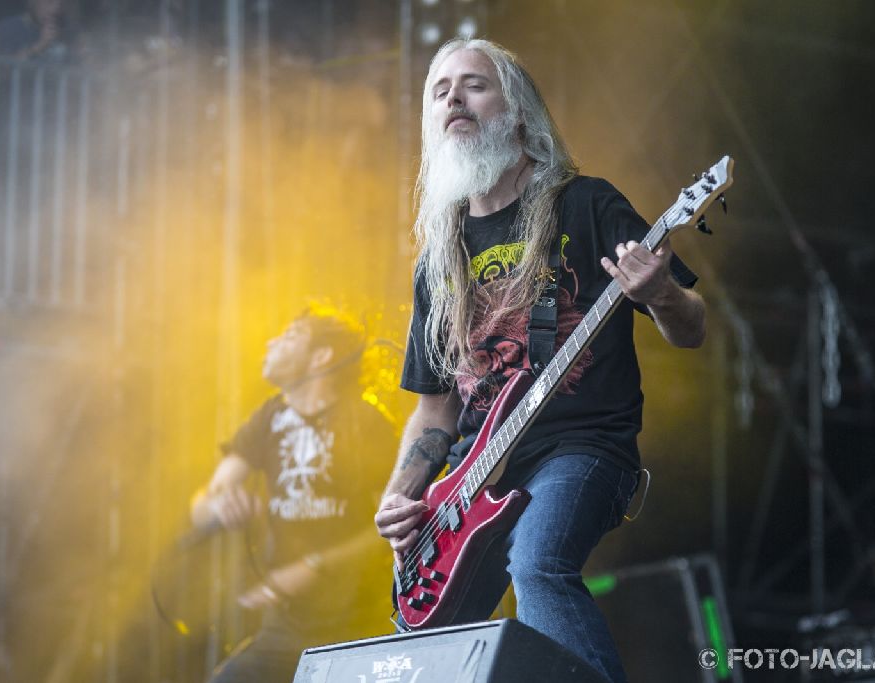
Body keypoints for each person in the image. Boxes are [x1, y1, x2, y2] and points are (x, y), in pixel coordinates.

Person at [373, 39, 706, 683]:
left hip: (581, 445)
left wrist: (660, 292)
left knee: (537, 565)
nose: (454, 99)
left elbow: (692, 327)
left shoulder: (584, 204)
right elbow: (436, 408)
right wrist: (401, 494)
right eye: (440, 91)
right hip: (473, 476)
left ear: (517, 110)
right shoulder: (438, 259)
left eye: (473, 84)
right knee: (429, 640)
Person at [190, 305, 398, 682]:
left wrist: (315, 566)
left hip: (359, 624)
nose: (271, 342)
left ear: (321, 356)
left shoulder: (366, 423)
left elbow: (390, 531)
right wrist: (220, 505)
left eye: (289, 336)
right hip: (285, 627)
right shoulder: (268, 417)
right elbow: (201, 508)